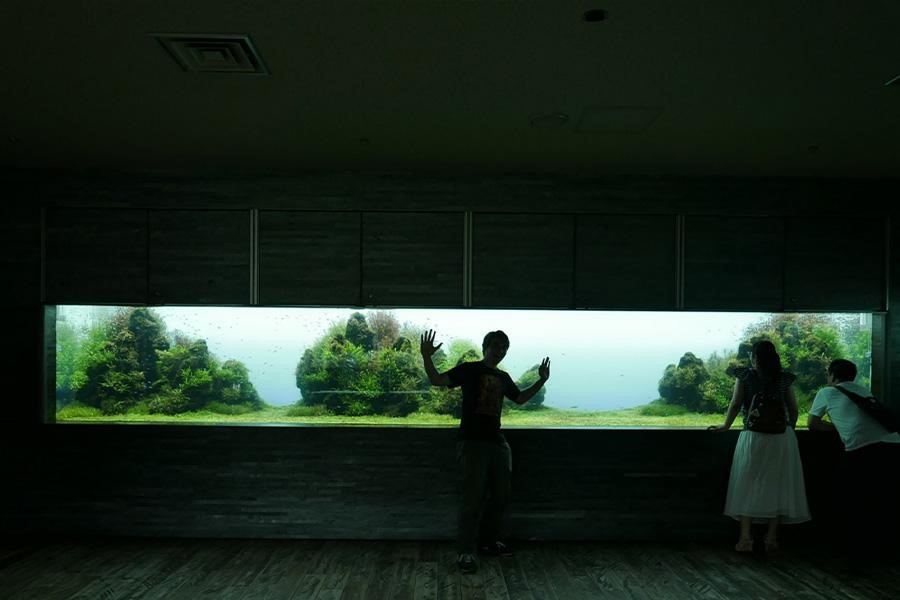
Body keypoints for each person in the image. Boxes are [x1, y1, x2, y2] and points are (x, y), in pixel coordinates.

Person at [420, 328, 549, 574]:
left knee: (501, 495)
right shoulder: (469, 369)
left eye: (503, 348)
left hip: (497, 441)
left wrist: (541, 380)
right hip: (472, 442)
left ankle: (488, 543)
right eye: (495, 346)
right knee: (472, 498)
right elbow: (437, 381)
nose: (499, 351)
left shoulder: (503, 376)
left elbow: (520, 398)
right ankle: (466, 551)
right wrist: (426, 356)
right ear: (485, 347)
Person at [709, 340, 810, 552]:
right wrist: (789, 428)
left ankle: (745, 539)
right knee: (777, 484)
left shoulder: (746, 376)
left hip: (753, 437)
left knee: (747, 483)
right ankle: (771, 538)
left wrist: (726, 425)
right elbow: (793, 408)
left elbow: (736, 403)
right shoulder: (784, 378)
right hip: (781, 439)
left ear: (754, 358)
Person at [807, 359, 900, 562]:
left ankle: (851, 548)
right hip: (893, 446)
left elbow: (812, 423)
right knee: (883, 498)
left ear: (832, 375)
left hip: (862, 450)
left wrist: (837, 428)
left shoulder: (826, 393)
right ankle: (884, 547)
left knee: (848, 497)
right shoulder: (864, 391)